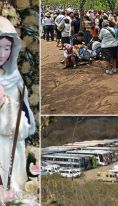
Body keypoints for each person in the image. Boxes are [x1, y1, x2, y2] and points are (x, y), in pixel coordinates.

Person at [0, 17, 36, 202]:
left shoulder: (14, 76)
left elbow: (25, 111)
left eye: (6, 48)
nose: (2, 53)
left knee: (18, 193)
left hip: (14, 145)